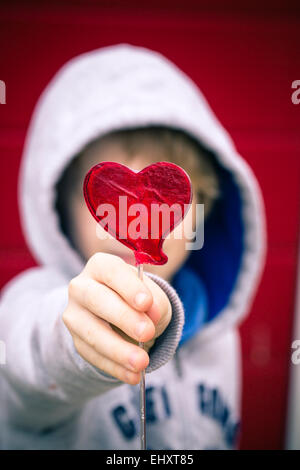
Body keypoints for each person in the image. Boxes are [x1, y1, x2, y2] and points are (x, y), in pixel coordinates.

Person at [0, 44, 266, 450]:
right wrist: (77, 339)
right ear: (63, 208)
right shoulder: (33, 300)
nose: (132, 224)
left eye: (162, 202)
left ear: (202, 213)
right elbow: (28, 362)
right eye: (108, 201)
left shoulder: (219, 334)